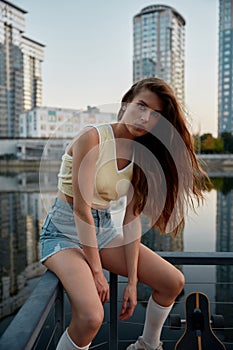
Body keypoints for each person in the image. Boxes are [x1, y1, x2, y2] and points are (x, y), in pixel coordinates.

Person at [40, 77, 209, 350]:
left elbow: (130, 221)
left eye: (155, 115)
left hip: (104, 232)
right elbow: (82, 209)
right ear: (126, 103)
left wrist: (132, 282)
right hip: (64, 232)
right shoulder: (92, 137)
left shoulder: (141, 154)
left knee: (172, 281)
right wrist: (97, 271)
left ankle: (147, 345)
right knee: (92, 318)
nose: (145, 118)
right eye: (141, 106)